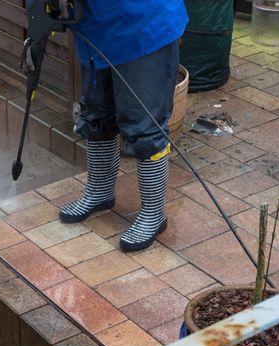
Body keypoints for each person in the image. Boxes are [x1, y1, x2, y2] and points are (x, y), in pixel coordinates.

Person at [54, 0, 189, 251]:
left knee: (145, 126)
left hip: (142, 25)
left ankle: (153, 213)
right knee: (97, 112)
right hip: (95, 27)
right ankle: (100, 192)